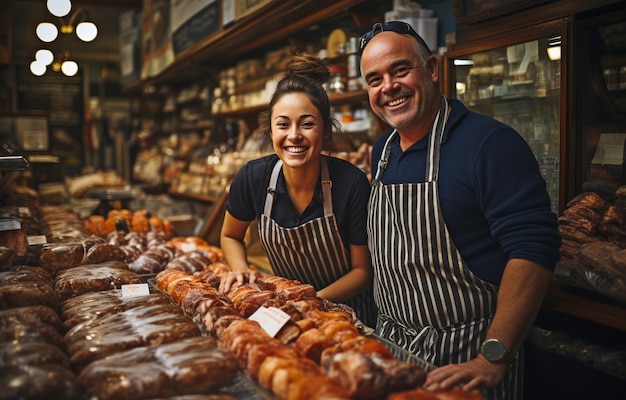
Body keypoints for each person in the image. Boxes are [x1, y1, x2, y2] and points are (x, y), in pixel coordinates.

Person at [359, 21, 562, 399]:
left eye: (400, 69)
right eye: (375, 79)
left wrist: (493, 356)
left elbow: (533, 251)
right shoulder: (382, 151)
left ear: (432, 69)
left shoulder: (490, 144)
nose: (388, 87)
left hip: (465, 359)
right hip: (393, 350)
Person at [218, 54, 377, 327]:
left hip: (348, 316)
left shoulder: (350, 183)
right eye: (283, 124)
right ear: (270, 129)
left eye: (307, 124)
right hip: (289, 313)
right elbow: (231, 235)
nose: (294, 135)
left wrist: (311, 301)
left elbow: (362, 271)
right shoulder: (254, 177)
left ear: (326, 130)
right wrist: (241, 270)